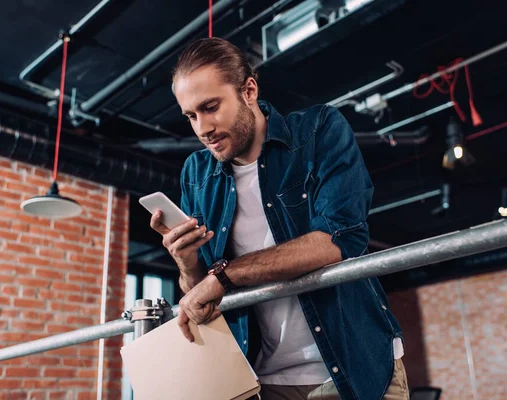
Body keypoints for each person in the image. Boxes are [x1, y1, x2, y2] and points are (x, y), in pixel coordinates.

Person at [149, 37, 409, 400]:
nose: (202, 128)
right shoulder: (196, 173)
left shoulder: (319, 131)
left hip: (355, 367)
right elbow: (202, 295)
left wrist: (225, 276)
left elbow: (339, 238)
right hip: (265, 380)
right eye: (191, 115)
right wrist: (186, 262)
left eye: (211, 107)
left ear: (249, 90)